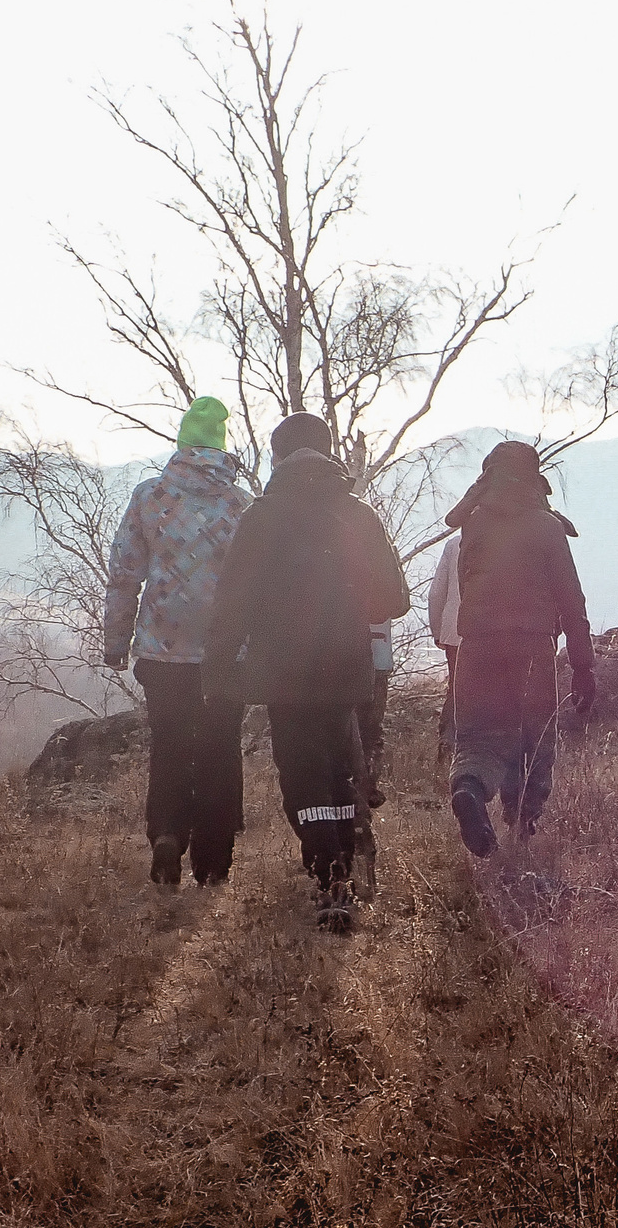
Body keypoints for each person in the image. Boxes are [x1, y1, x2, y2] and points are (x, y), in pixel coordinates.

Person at [202, 411, 410, 933]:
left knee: (302, 773)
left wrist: (219, 669)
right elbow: (395, 599)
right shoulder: (356, 515)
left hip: (285, 671)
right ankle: (348, 856)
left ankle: (329, 875)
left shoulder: (261, 517)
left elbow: (232, 604)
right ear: (328, 450)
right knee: (344, 764)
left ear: (277, 457)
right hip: (347, 666)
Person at [102, 395, 253, 888]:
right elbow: (256, 583)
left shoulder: (150, 496)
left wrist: (116, 641)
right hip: (225, 654)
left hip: (161, 651)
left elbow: (125, 573)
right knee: (219, 749)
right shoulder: (239, 503)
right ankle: (214, 861)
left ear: (182, 444)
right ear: (221, 448)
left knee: (169, 744)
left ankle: (166, 834)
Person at [442, 440, 596, 857]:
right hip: (530, 649)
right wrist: (583, 665)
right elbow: (571, 598)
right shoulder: (546, 527)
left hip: (475, 648)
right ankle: (521, 834)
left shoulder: (472, 523)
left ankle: (471, 790)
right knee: (534, 742)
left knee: (477, 740)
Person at [427, 527, 463, 757]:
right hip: (495, 635)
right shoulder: (508, 541)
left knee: (457, 690)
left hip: (454, 632)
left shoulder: (454, 544)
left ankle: (447, 744)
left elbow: (436, 593)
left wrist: (438, 631)